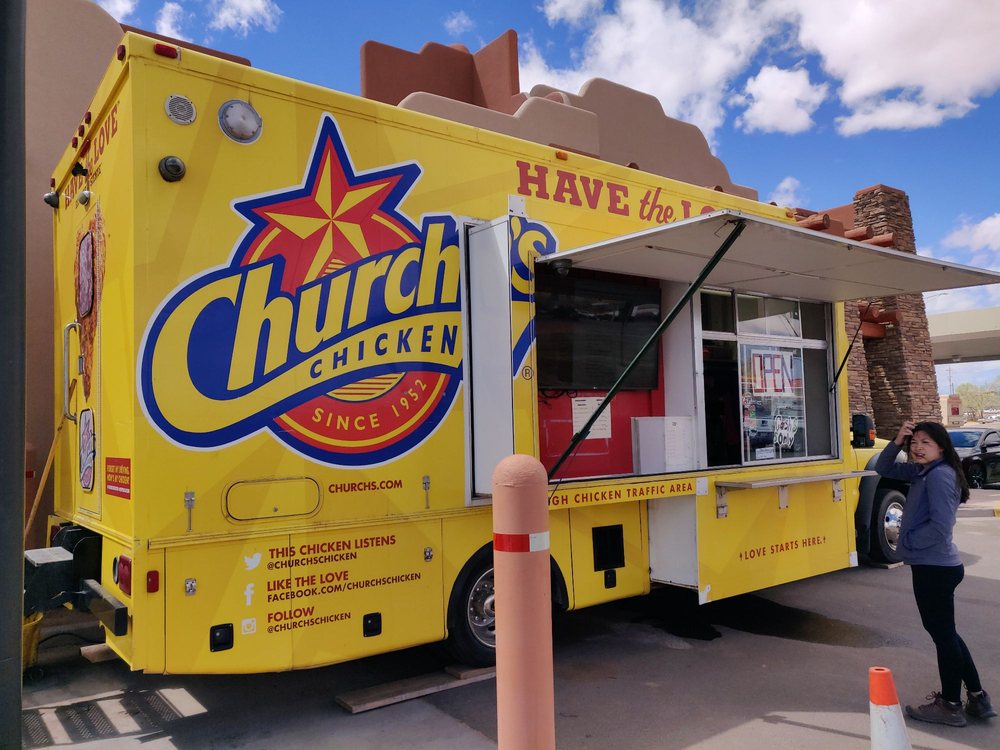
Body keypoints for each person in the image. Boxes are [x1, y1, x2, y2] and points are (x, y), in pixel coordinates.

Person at [875, 420, 996, 727]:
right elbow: (883, 468)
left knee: (944, 637)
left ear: (941, 447)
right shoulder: (923, 471)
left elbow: (941, 527)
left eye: (925, 442)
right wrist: (897, 440)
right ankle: (978, 698)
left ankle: (951, 704)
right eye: (914, 442)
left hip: (935, 567)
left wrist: (909, 542)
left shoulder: (939, 475)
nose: (918, 447)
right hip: (934, 566)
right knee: (946, 634)